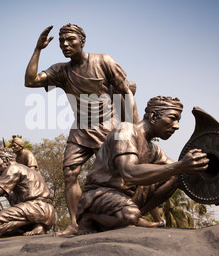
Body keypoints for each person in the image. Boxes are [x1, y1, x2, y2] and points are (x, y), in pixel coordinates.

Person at [24, 24, 139, 235]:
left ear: (82, 41)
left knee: (122, 173)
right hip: (80, 129)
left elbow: (125, 92)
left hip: (107, 126)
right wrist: (38, 49)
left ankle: (134, 214)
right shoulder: (61, 70)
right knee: (70, 173)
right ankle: (75, 224)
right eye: (61, 41)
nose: (65, 45)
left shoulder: (103, 61)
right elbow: (30, 81)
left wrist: (135, 129)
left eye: (70, 39)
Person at [76, 96, 210, 234]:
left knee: (176, 175)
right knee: (130, 214)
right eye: (172, 118)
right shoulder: (125, 131)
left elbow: (177, 171)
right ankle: (89, 216)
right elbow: (129, 172)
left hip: (126, 199)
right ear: (153, 117)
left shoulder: (153, 149)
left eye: (178, 120)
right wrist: (180, 166)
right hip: (99, 195)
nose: (176, 126)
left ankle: (135, 216)